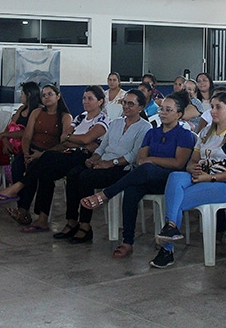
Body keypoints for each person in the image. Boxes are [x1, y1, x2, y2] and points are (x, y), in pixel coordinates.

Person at [81, 91, 195, 259]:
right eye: (162, 109)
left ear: (179, 114)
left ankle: (106, 194)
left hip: (170, 181)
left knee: (146, 169)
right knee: (132, 190)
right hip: (146, 175)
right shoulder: (152, 133)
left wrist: (152, 160)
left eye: (168, 110)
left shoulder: (184, 135)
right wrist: (150, 161)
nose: (163, 113)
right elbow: (140, 159)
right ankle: (127, 242)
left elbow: (178, 163)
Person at [149, 91, 226, 269]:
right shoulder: (205, 132)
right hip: (200, 177)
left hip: (223, 185)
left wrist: (210, 177)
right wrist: (192, 168)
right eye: (212, 107)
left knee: (176, 199)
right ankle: (171, 228)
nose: (212, 111)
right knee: (175, 177)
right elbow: (192, 161)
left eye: (218, 107)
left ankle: (167, 249)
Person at [0, 84, 95, 232]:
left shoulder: (66, 117)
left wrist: (41, 155)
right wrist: (27, 154)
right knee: (17, 166)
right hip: (32, 150)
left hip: (51, 152)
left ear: (58, 96)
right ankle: (23, 207)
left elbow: (64, 143)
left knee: (38, 169)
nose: (46, 97)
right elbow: (27, 136)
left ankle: (24, 208)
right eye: (44, 95)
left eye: (50, 94)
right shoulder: (37, 112)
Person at [61, 90, 151, 243]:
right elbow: (102, 146)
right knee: (73, 174)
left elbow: (133, 155)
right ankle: (71, 220)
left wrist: (110, 163)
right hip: (103, 162)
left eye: (131, 104)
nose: (126, 107)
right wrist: (94, 158)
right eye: (124, 102)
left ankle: (85, 225)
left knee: (85, 178)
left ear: (141, 108)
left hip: (122, 169)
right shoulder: (116, 123)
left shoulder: (145, 127)